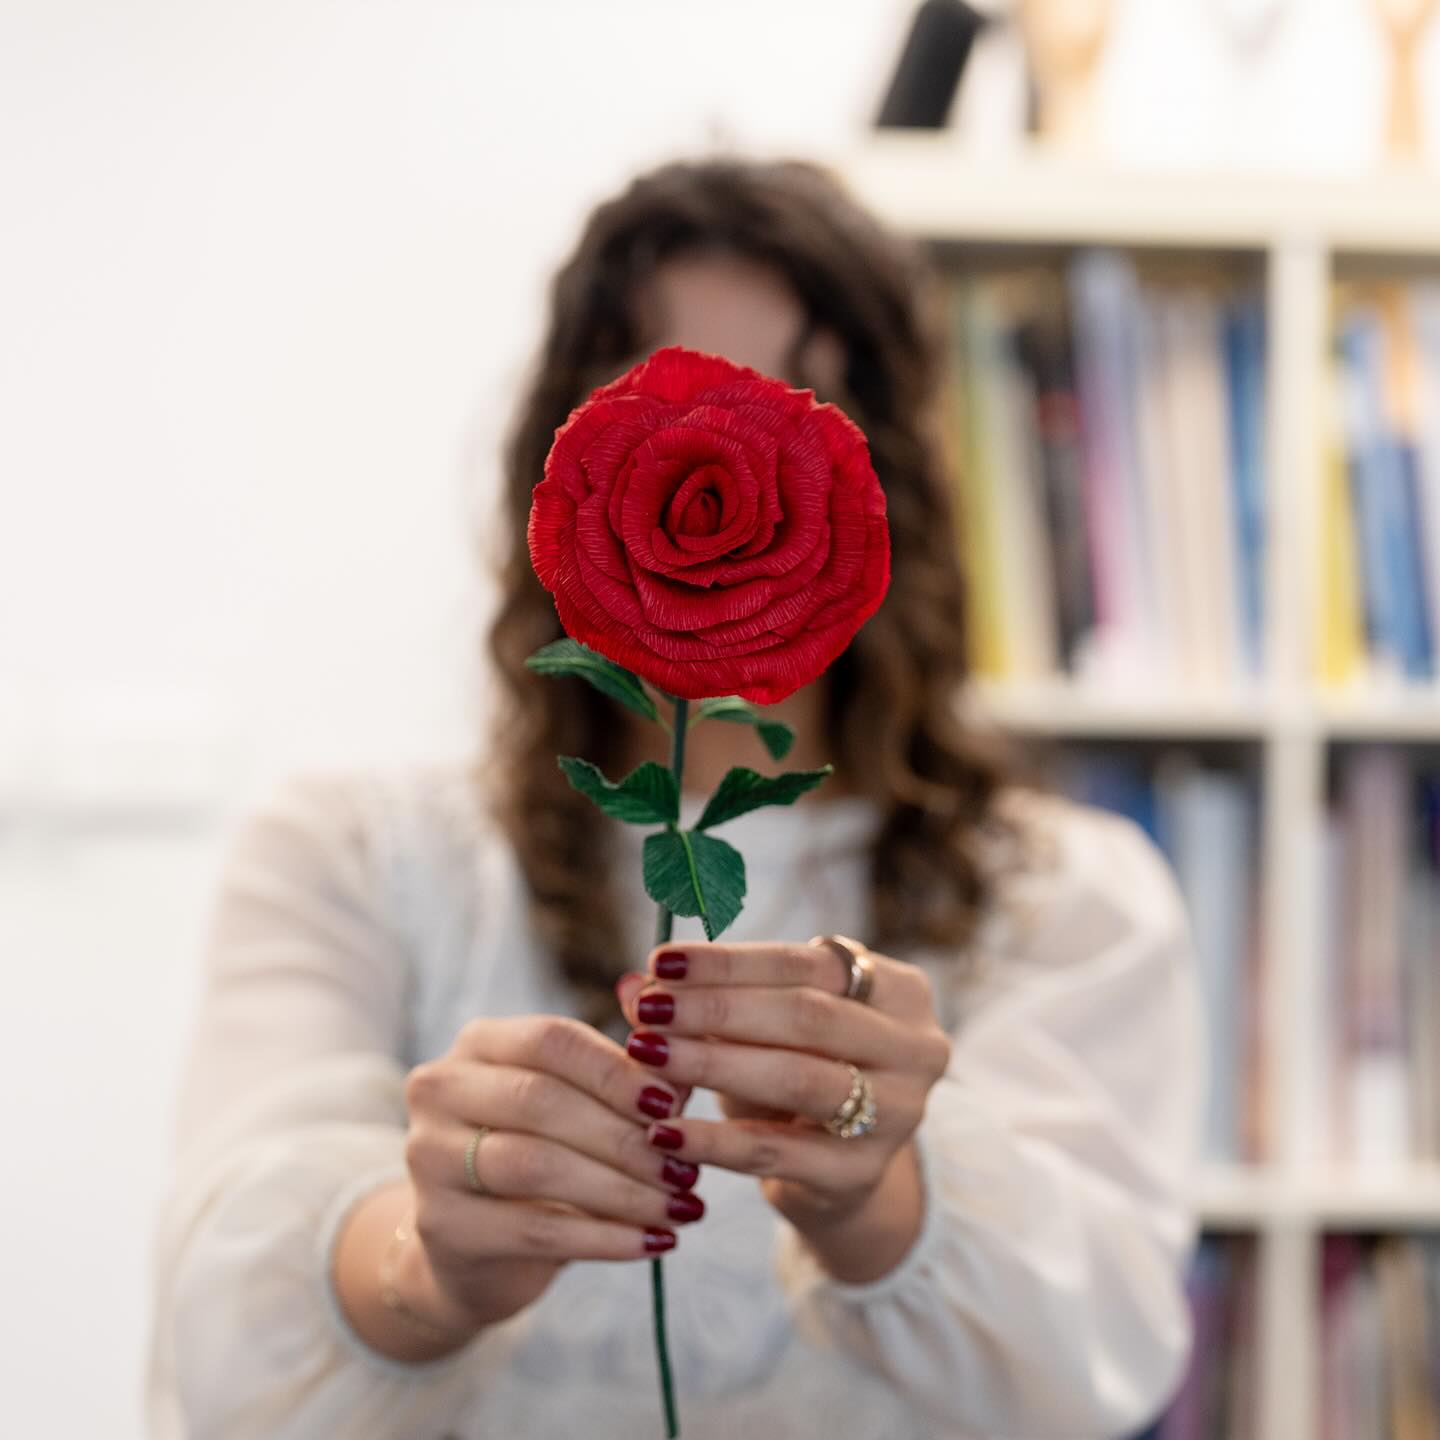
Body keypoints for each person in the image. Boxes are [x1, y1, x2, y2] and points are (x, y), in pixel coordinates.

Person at [147, 157, 1203, 1440]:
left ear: (890, 484)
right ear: (564, 462)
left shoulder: (1067, 899)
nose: (729, 459)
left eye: (796, 404)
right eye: (661, 398)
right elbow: (226, 1339)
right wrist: (433, 1266)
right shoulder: (349, 855)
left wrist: (877, 1190)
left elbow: (1095, 1361)